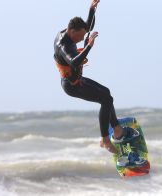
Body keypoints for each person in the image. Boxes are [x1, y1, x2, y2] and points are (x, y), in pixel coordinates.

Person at [53, 0, 128, 153]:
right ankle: (106, 140)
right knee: (105, 99)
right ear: (72, 31)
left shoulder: (70, 32)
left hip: (77, 81)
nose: (82, 39)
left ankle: (117, 129)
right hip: (72, 85)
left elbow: (87, 27)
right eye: (80, 37)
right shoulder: (63, 45)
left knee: (107, 94)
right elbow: (74, 62)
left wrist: (92, 9)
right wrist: (89, 46)